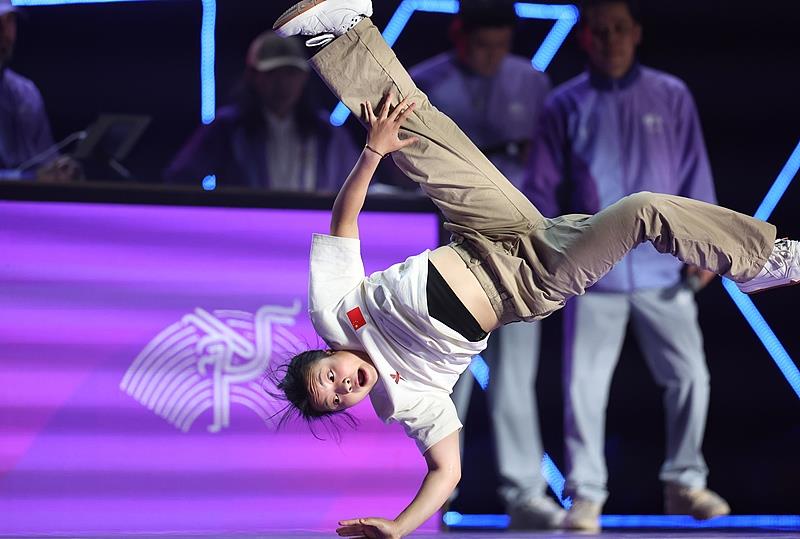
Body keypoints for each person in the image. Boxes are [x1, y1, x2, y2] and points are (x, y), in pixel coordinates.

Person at [271, 1, 794, 537]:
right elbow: (446, 473)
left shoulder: (334, 313)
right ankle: (761, 260)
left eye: (329, 377)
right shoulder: (405, 402)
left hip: (484, 232)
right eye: (338, 399)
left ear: (326, 353)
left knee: (416, 134)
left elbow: (344, 221)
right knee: (643, 211)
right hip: (530, 277)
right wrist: (401, 527)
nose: (343, 386)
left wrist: (372, 153)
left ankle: (342, 35)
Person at [524, 0, 730, 530]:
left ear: (636, 32)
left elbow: (696, 174)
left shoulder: (671, 94)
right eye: (599, 31)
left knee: (691, 377)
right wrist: (549, 256)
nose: (610, 39)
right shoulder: (564, 104)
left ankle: (685, 482)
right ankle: (585, 494)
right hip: (593, 275)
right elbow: (541, 190)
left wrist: (707, 246)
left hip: (666, 271)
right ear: (584, 38)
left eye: (619, 29)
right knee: (583, 389)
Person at [408, 0, 561, 528]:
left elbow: (545, 169)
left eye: (500, 45)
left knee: (517, 378)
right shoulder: (425, 83)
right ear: (458, 33)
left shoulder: (533, 82)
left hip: (520, 248)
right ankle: (437, 496)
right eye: (480, 45)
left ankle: (525, 493)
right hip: (451, 251)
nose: (491, 56)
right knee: (445, 377)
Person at [164, 30, 358, 192]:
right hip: (246, 225)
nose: (283, 83)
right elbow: (180, 179)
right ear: (252, 76)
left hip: (313, 224)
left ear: (304, 77)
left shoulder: (328, 132)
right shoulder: (228, 127)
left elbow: (359, 187)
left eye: (291, 73)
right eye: (272, 74)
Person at [0, 0, 80, 182]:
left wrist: (59, 170)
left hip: (33, 198)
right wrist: (27, 178)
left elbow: (46, 159)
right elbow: (34, 176)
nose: (5, 34)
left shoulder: (25, 91)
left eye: (10, 21)